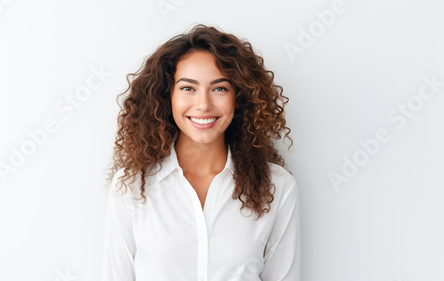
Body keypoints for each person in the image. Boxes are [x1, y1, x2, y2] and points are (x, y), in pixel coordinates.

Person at [102, 24, 300, 281]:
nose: (204, 104)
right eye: (188, 88)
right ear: (168, 96)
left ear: (238, 97)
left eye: (219, 88)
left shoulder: (277, 186)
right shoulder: (131, 186)